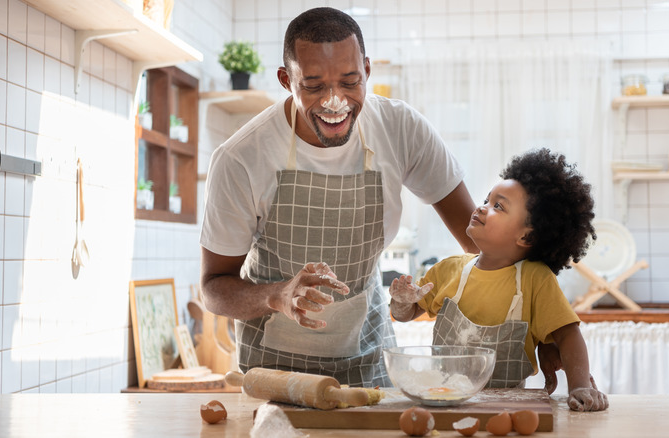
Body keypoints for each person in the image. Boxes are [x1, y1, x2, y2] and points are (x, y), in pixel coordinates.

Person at [199, 7, 478, 387]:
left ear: (367, 69)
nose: (335, 101)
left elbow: (480, 246)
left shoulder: (401, 129)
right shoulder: (241, 157)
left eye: (350, 82)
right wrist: (278, 295)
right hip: (274, 369)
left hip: (368, 359)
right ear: (286, 80)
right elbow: (214, 289)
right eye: (313, 86)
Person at [389, 148, 609, 412]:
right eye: (486, 199)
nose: (482, 207)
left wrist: (579, 386)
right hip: (445, 403)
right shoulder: (449, 270)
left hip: (507, 409)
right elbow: (407, 313)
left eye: (498, 206)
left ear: (526, 237)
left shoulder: (535, 280)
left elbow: (568, 335)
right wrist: (401, 303)